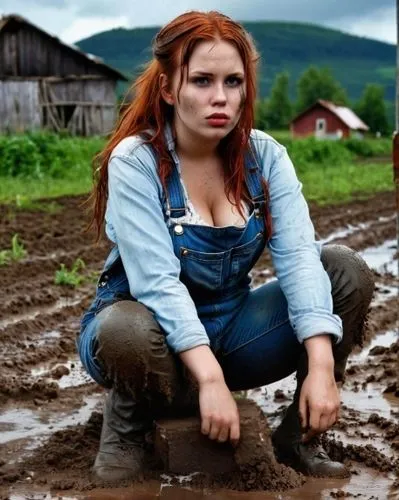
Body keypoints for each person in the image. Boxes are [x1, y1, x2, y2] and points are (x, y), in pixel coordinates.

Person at [77, 10, 375, 484]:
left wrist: (321, 365)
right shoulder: (136, 162)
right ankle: (128, 427)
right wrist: (211, 380)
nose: (220, 97)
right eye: (201, 80)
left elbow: (299, 258)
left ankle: (299, 437)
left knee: (344, 269)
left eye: (233, 81)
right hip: (149, 342)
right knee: (123, 328)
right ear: (169, 90)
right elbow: (155, 282)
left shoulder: (266, 157)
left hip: (234, 333)